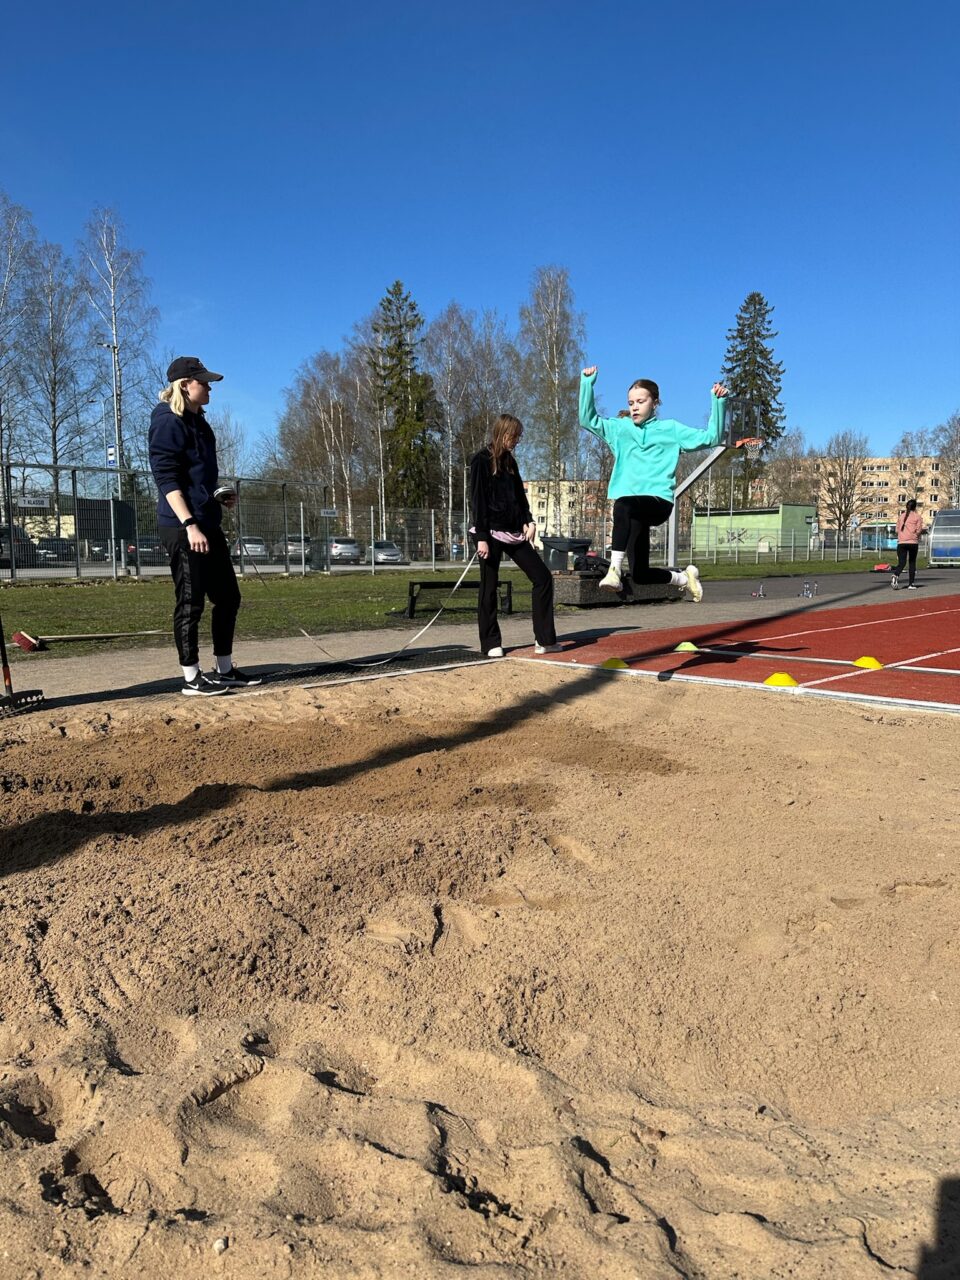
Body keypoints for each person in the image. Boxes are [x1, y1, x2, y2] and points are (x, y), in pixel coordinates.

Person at [149, 355, 262, 695]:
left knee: (228, 597)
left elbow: (198, 477)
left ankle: (224, 669)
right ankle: (191, 677)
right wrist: (189, 524)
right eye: (204, 382)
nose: (210, 388)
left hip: (207, 521)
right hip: (182, 526)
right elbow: (166, 479)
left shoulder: (200, 423)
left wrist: (217, 495)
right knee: (191, 602)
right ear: (185, 385)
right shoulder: (167, 422)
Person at [579, 366, 730, 600]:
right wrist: (587, 384)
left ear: (655, 403)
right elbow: (587, 420)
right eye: (631, 403)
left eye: (641, 401)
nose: (635, 407)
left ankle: (614, 570)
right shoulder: (620, 429)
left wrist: (718, 402)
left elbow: (712, 437)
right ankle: (684, 578)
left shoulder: (670, 430)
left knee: (622, 504)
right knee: (640, 574)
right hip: (632, 511)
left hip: (658, 502)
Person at [469, 414, 561, 658]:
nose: (517, 441)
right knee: (489, 585)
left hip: (514, 532)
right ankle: (490, 643)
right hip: (489, 532)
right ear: (503, 433)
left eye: (519, 437)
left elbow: (519, 497)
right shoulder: (481, 460)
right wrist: (481, 536)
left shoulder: (511, 462)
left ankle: (544, 639)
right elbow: (477, 499)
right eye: (514, 436)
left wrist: (528, 520)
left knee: (542, 577)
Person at [891, 499, 924, 590]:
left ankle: (896, 575)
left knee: (902, 563)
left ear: (906, 506)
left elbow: (897, 530)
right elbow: (918, 530)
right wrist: (915, 534)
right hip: (913, 542)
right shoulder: (917, 517)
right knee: (912, 563)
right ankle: (911, 584)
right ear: (915, 507)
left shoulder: (901, 516)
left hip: (901, 542)